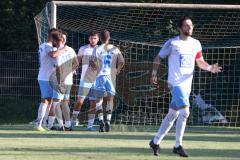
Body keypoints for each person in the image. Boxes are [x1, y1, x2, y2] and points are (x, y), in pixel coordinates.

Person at [149, 16, 222, 157]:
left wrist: (210, 68)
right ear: (180, 28)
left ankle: (155, 141)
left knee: (173, 114)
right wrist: (153, 74)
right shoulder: (172, 43)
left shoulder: (196, 43)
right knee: (185, 112)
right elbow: (158, 57)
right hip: (175, 83)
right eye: (187, 26)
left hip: (186, 84)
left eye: (191, 25)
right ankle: (178, 145)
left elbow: (200, 62)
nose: (190, 28)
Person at [91, 30, 124, 132]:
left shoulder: (97, 49)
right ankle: (108, 121)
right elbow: (122, 61)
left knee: (99, 100)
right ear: (109, 38)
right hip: (110, 76)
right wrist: (117, 70)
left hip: (99, 76)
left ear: (100, 38)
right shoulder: (115, 48)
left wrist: (95, 68)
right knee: (110, 99)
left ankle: (101, 121)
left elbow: (92, 62)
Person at [35, 28, 66, 131]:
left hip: (45, 76)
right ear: (52, 38)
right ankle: (38, 123)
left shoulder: (43, 45)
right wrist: (63, 48)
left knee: (49, 101)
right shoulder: (48, 47)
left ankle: (42, 123)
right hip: (45, 77)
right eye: (57, 39)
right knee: (46, 101)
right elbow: (53, 55)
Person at [71, 31, 99, 131]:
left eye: (95, 38)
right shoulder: (83, 48)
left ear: (98, 39)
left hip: (96, 80)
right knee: (79, 102)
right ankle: (73, 121)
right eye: (91, 38)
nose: (93, 40)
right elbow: (77, 61)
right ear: (89, 39)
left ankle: (90, 126)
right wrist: (74, 69)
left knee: (93, 103)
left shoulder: (100, 50)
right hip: (84, 79)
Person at [50, 30, 78, 131]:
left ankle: (61, 125)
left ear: (54, 40)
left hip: (60, 80)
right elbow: (77, 63)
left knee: (57, 102)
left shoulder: (56, 51)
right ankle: (68, 125)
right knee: (65, 102)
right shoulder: (70, 49)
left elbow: (53, 56)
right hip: (69, 80)